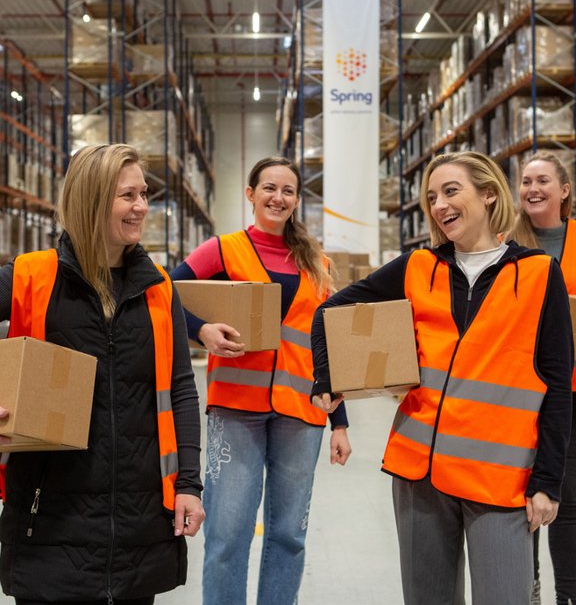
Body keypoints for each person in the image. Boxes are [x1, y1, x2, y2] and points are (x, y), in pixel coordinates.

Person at [310, 151, 573, 605]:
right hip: (419, 475)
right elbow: (329, 311)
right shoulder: (419, 267)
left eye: (451, 191)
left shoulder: (536, 274)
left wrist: (548, 481)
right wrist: (328, 378)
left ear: (489, 193)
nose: (439, 205)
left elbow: (556, 386)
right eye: (432, 197)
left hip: (499, 479)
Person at [0, 144, 205, 605]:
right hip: (51, 520)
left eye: (143, 194)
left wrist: (189, 483)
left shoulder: (159, 289)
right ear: (92, 199)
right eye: (126, 195)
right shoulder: (31, 277)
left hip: (140, 522)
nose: (141, 207)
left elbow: (181, 390)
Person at [171, 155, 352, 605]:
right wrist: (202, 330)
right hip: (236, 409)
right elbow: (166, 296)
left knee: (289, 534)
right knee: (228, 536)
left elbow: (330, 346)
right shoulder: (223, 249)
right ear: (251, 195)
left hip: (302, 413)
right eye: (269, 188)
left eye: (288, 191)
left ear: (296, 200)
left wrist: (341, 422)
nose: (279, 197)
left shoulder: (317, 263)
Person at [509, 150, 576, 605]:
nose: (533, 188)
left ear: (564, 190)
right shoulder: (506, 242)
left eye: (543, 181)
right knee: (520, 499)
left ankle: (569, 594)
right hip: (520, 389)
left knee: (569, 501)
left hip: (573, 390)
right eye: (527, 181)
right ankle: (526, 589)